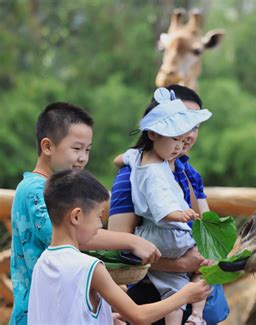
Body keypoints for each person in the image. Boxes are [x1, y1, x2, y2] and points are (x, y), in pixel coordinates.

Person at [9, 102, 161, 325]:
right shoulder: (34, 189)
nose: (83, 157)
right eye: (76, 148)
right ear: (48, 146)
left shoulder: (54, 188)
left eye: (87, 150)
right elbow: (70, 233)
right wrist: (130, 241)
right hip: (37, 314)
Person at [109, 85, 229, 325]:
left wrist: (209, 257)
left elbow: (207, 229)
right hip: (152, 302)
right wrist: (181, 264)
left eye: (193, 125)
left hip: (196, 300)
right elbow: (116, 248)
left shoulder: (188, 173)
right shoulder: (132, 175)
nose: (187, 133)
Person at [28, 169, 211, 324]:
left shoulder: (42, 263)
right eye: (99, 217)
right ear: (76, 216)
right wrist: (185, 295)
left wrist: (107, 317)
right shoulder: (90, 267)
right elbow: (139, 316)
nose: (100, 226)